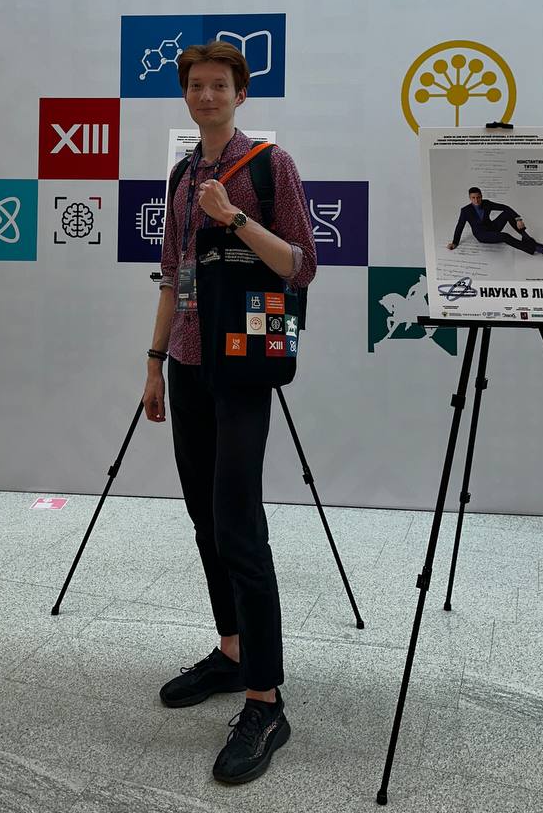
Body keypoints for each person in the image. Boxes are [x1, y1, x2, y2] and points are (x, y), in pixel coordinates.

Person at [144, 41, 317, 785]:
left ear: (240, 94)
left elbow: (301, 265)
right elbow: (173, 275)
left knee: (240, 525)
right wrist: (153, 363)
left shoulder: (270, 166)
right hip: (187, 362)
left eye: (219, 85)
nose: (207, 96)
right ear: (185, 95)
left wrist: (235, 218)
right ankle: (233, 650)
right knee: (205, 519)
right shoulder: (182, 175)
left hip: (243, 363)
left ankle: (266, 700)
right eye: (196, 85)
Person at [447, 186, 543, 261]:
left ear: (481, 196)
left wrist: (518, 219)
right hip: (482, 235)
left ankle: (527, 238)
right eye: (473, 198)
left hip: (492, 227)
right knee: (505, 236)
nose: (476, 200)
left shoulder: (486, 203)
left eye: (478, 197)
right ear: (470, 198)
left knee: (507, 214)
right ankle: (539, 249)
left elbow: (505, 207)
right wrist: (455, 242)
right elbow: (459, 226)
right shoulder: (465, 210)